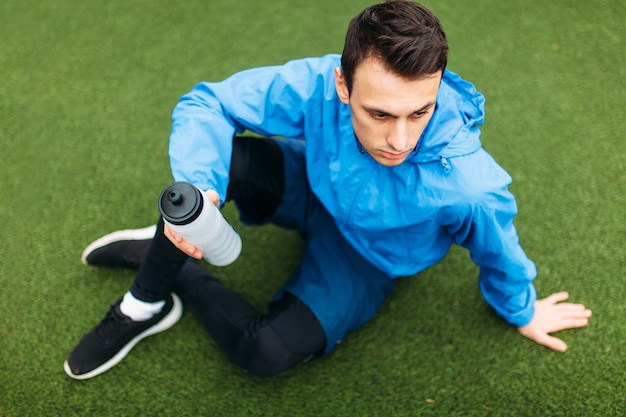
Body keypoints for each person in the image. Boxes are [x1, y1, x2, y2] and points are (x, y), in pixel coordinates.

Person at [64, 0, 592, 380]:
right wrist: (203, 189)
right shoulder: (318, 84)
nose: (400, 139)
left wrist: (522, 309)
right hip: (311, 189)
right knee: (196, 184)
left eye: (419, 112)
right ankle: (143, 305)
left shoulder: (470, 187)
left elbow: (500, 251)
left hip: (367, 258)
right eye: (379, 113)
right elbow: (208, 104)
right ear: (343, 86)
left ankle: (183, 274)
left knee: (265, 353)